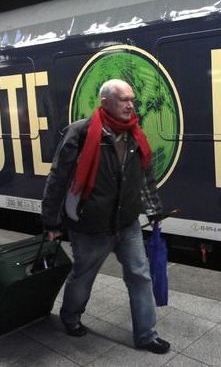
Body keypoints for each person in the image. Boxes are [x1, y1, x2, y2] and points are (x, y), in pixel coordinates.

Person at [41, 79, 170, 354]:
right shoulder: (80, 133)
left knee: (140, 275)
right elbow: (58, 178)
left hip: (127, 222)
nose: (130, 104)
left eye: (132, 99)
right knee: (84, 275)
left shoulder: (135, 133)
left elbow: (144, 176)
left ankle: (147, 335)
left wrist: (154, 209)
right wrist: (51, 221)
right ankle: (70, 316)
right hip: (90, 225)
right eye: (124, 99)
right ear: (105, 102)